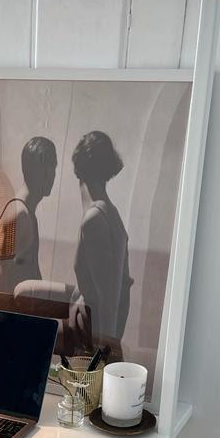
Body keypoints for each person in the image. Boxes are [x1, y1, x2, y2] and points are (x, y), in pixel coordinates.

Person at [71, 130, 132, 346]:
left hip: (93, 330)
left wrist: (105, 346)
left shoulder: (95, 219)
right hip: (93, 323)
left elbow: (107, 294)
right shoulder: (110, 213)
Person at [0, 136, 57, 295]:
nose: (53, 175)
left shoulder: (26, 213)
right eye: (51, 167)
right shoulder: (20, 214)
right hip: (16, 316)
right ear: (40, 171)